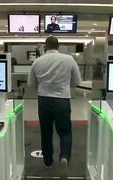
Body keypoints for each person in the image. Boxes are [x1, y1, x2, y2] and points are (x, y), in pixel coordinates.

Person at [28, 36, 81, 178]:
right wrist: (63, 86)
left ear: (45, 46)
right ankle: (64, 157)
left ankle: (48, 161)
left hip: (44, 100)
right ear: (58, 46)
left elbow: (31, 84)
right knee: (65, 132)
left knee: (46, 132)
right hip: (62, 101)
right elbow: (77, 81)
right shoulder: (68, 59)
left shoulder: (37, 61)